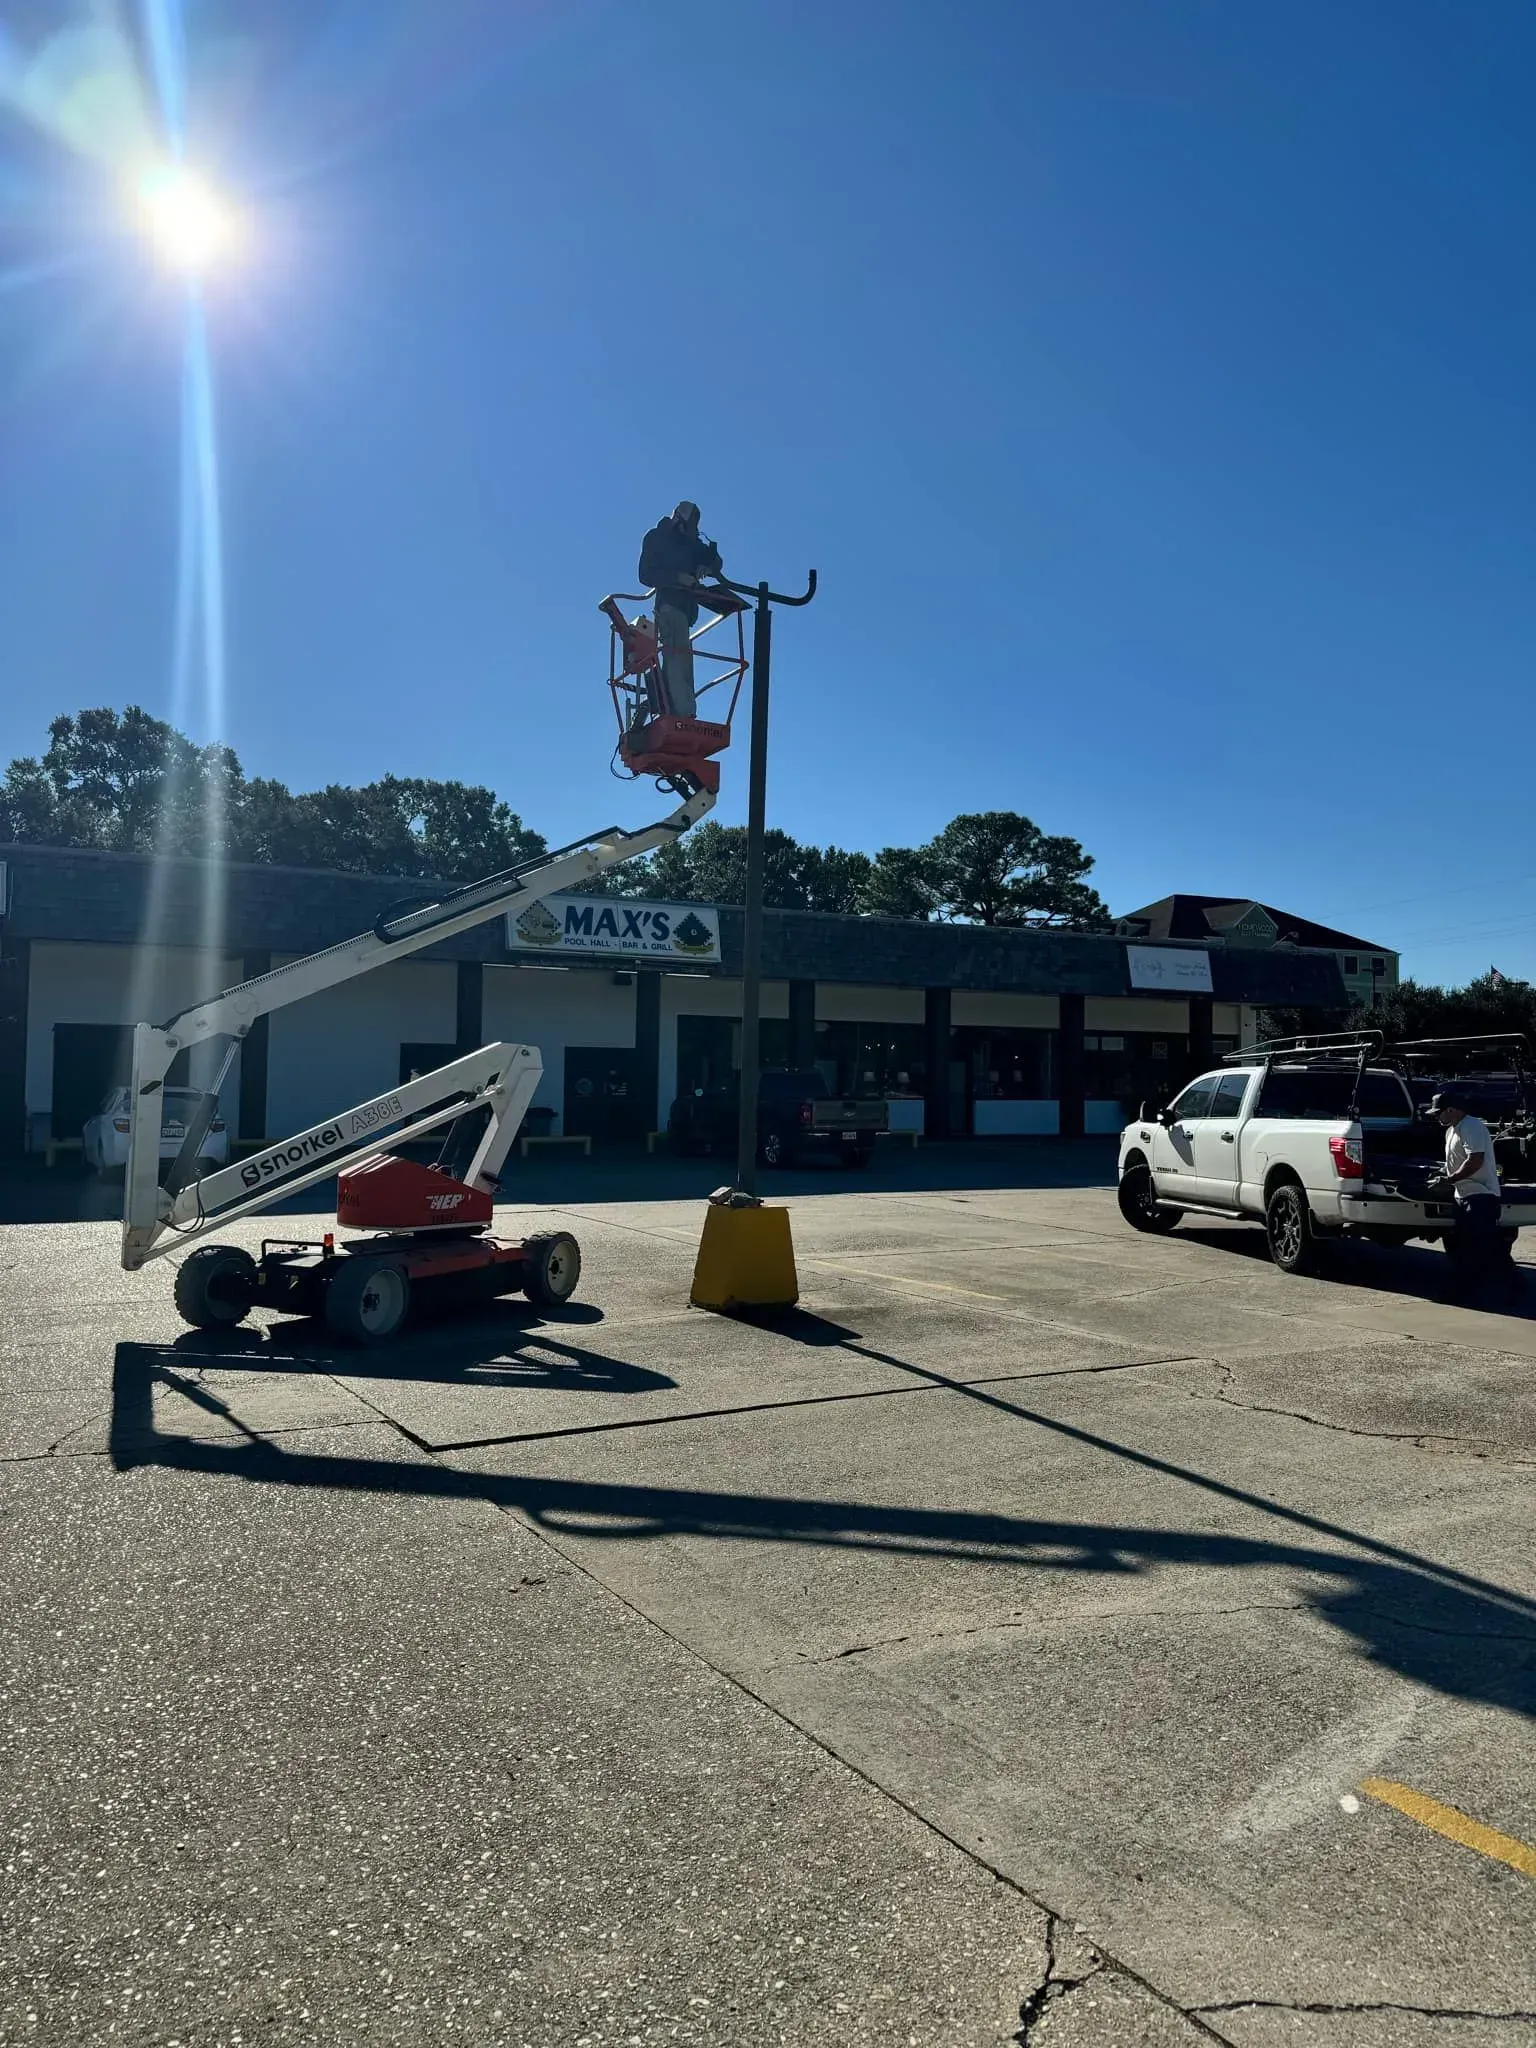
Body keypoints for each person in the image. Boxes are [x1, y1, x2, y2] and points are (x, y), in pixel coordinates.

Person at [638, 501, 726, 717]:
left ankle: (679, 709)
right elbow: (645, 574)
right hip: (668, 606)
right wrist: (677, 578)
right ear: (678, 521)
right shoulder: (657, 538)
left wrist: (708, 566)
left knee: (683, 660)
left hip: (686, 612)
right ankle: (681, 713)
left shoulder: (691, 544)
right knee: (676, 658)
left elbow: (716, 562)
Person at [1425, 1087, 1509, 1286]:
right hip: (1463, 1197)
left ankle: (1510, 1288)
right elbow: (1455, 1160)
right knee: (1463, 1246)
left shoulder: (1472, 1126)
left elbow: (1475, 1161)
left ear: (1452, 1110)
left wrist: (1450, 1179)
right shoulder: (1451, 1132)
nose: (1437, 1117)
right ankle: (1473, 1286)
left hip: (1481, 1197)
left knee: (1484, 1247)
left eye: (1439, 1112)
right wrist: (1442, 1173)